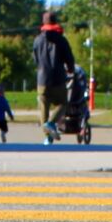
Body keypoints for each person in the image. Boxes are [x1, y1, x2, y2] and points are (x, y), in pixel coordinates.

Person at [32, 11, 75, 144]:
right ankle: (50, 124)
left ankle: (47, 136)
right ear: (55, 22)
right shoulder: (61, 40)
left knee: (44, 105)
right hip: (58, 79)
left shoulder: (37, 40)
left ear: (43, 23)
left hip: (42, 79)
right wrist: (70, 70)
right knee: (62, 103)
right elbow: (69, 58)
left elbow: (35, 59)